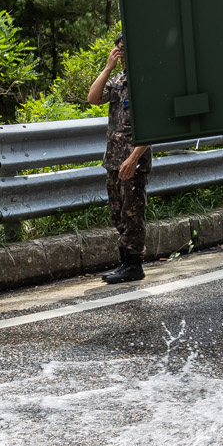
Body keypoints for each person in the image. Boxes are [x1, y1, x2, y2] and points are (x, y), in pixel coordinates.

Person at [86, 36, 149, 284]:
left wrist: (134, 157)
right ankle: (125, 261)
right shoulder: (119, 79)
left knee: (132, 213)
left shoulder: (145, 81)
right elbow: (92, 98)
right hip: (113, 158)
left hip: (133, 160)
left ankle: (134, 264)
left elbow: (151, 126)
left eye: (125, 50)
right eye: (119, 50)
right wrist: (108, 67)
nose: (121, 54)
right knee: (118, 213)